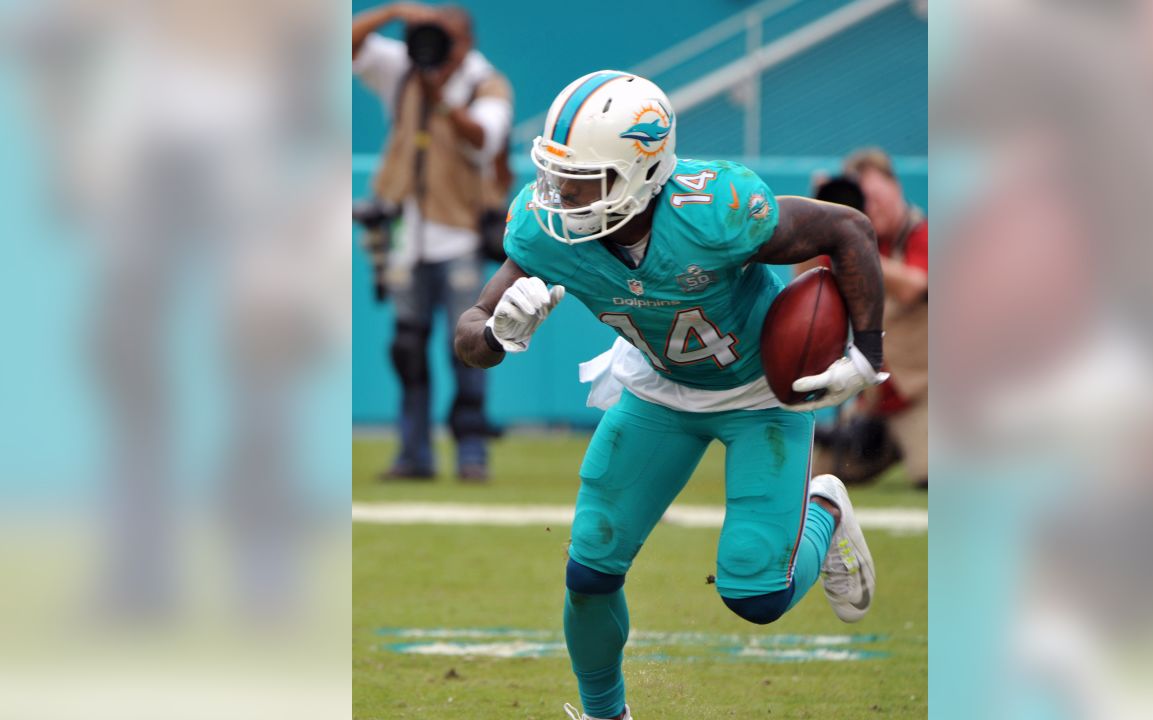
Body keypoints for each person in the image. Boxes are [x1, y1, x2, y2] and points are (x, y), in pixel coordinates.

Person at [454, 70, 887, 720]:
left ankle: (822, 512)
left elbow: (848, 229)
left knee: (755, 592)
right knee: (590, 570)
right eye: (556, 174)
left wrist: (869, 355)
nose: (560, 195)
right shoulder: (546, 229)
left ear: (642, 172)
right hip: (659, 388)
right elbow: (469, 335)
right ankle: (607, 715)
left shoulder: (714, 212)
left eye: (583, 180)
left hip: (758, 390)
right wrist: (495, 332)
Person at [353, 3, 512, 481]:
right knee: (406, 346)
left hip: (458, 232)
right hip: (405, 231)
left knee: (464, 343)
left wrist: (439, 92)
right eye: (429, 35)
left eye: (446, 38)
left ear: (466, 42)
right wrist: (395, 12)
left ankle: (471, 454)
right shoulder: (403, 67)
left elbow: (484, 137)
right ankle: (414, 454)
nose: (435, 47)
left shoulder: (487, 82)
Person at [845, 148, 929, 489]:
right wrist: (817, 223)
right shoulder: (854, 237)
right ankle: (890, 446)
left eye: (876, 196)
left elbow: (914, 286)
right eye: (862, 199)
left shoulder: (920, 232)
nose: (872, 206)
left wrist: (851, 248)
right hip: (872, 401)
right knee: (817, 473)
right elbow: (808, 279)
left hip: (922, 394)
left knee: (931, 475)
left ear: (895, 187)